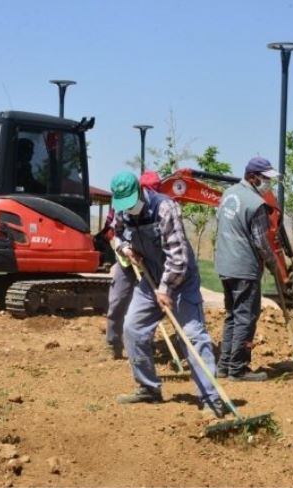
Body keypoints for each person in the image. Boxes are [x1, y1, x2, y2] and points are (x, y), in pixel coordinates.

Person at [110, 171, 226, 418]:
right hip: (150, 278)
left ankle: (211, 399)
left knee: (193, 336)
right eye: (124, 206)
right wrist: (126, 248)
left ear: (140, 192)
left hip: (181, 280)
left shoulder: (165, 208)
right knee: (132, 328)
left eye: (131, 203)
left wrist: (166, 289)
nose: (128, 209)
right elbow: (116, 234)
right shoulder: (122, 210)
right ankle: (148, 387)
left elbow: (179, 257)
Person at [214, 157, 280, 382]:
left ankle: (224, 366)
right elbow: (261, 242)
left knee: (232, 315)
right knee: (246, 317)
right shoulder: (255, 203)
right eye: (265, 179)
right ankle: (239, 368)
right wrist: (274, 265)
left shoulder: (228, 194)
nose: (268, 184)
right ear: (253, 177)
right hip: (244, 267)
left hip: (225, 264)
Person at [104, 171, 162, 360]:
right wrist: (127, 250)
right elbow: (113, 232)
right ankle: (113, 344)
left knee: (150, 303)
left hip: (150, 262)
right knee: (118, 300)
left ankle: (145, 344)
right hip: (126, 259)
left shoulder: (159, 206)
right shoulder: (121, 204)